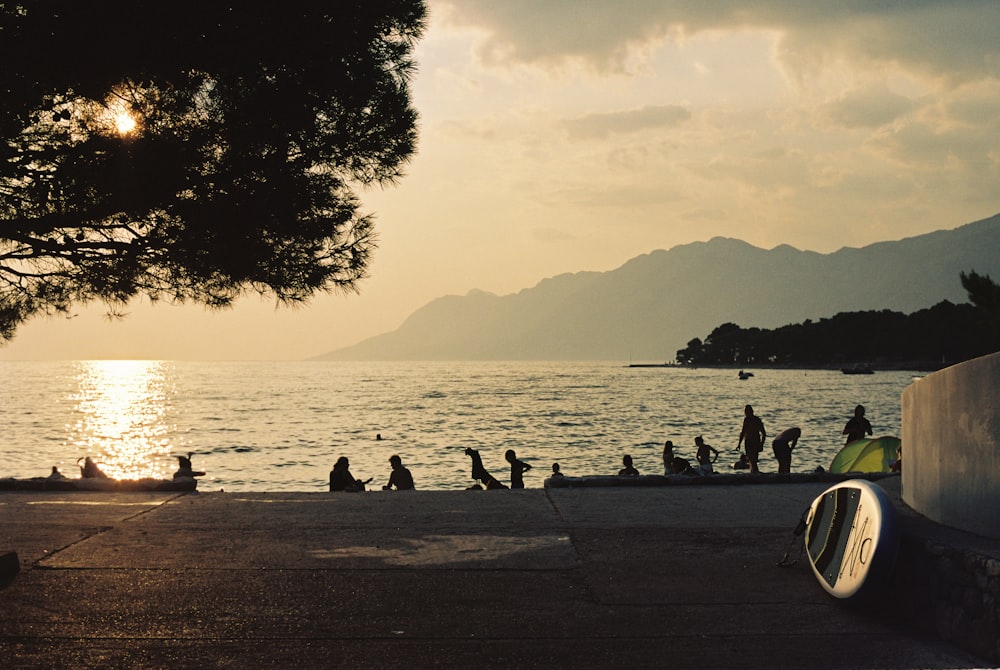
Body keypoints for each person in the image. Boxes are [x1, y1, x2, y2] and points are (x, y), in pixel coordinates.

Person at [737, 405, 766, 473]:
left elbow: (763, 433)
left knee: (753, 460)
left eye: (747, 412)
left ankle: (755, 473)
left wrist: (762, 444)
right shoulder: (747, 420)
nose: (746, 413)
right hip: (749, 441)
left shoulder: (756, 420)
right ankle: (753, 472)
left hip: (754, 441)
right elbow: (743, 432)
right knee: (751, 460)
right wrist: (739, 444)